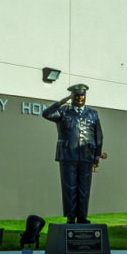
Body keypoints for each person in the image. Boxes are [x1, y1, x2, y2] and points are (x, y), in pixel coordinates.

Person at [38, 83, 105, 224]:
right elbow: (46, 114)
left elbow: (98, 136)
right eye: (77, 96)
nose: (80, 98)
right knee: (69, 186)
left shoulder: (93, 113)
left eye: (82, 96)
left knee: (84, 187)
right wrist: (61, 102)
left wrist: (97, 156)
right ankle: (71, 216)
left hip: (86, 155)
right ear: (71, 97)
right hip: (68, 155)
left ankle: (82, 216)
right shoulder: (63, 111)